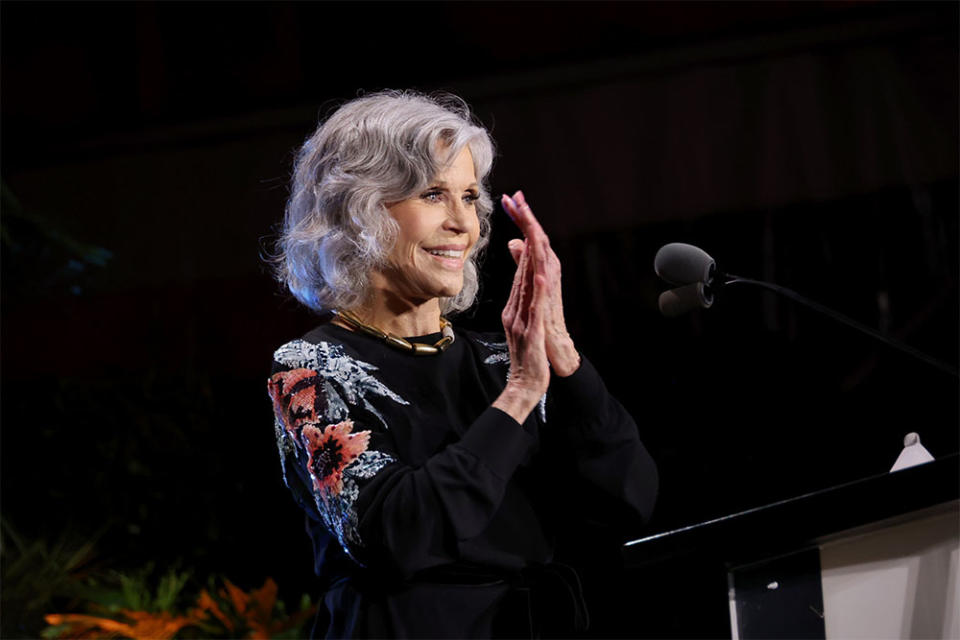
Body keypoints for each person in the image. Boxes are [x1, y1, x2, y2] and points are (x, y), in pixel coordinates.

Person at [267, 90, 658, 639]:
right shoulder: (311, 368)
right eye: (433, 194)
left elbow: (627, 502)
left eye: (470, 197)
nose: (462, 223)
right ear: (359, 212)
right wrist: (519, 396)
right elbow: (398, 535)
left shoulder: (507, 357)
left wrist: (562, 356)